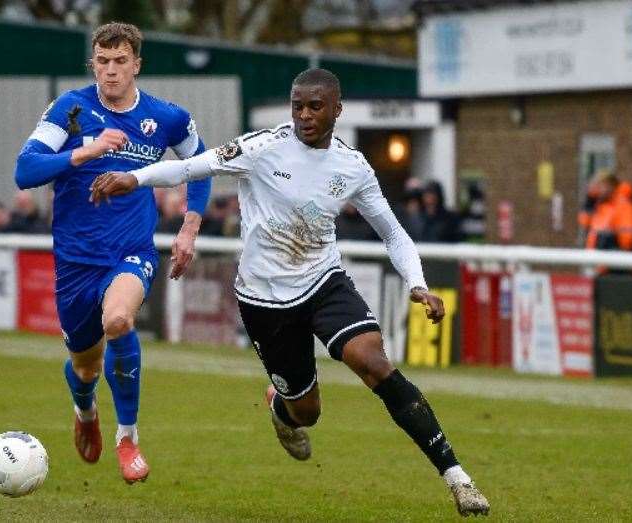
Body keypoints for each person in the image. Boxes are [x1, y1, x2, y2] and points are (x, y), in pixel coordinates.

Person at [91, 68, 489, 516]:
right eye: (297, 105)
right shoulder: (261, 148)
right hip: (265, 301)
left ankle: (457, 477)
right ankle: (282, 407)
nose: (304, 115)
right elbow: (189, 166)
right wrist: (135, 178)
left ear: (337, 110)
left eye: (315, 106)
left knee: (373, 362)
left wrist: (417, 284)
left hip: (323, 282)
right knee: (308, 413)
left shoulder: (352, 165)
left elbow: (393, 234)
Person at [13, 22, 211, 484]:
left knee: (118, 320)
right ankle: (85, 410)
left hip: (131, 251)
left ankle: (128, 438)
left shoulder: (167, 117)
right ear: (93, 63)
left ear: (136, 64)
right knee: (85, 367)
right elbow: (25, 171)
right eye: (102, 62)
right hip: (75, 262)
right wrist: (84, 154)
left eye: (120, 62)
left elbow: (201, 167)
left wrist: (189, 226)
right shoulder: (70, 109)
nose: (110, 71)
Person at [579, 170, 632, 251]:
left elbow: (627, 239)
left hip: (613, 258)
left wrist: (610, 241)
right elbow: (584, 221)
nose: (597, 190)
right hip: (596, 257)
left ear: (610, 186)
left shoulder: (623, 205)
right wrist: (590, 201)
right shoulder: (601, 205)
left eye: (600, 186)